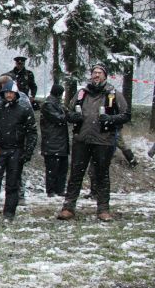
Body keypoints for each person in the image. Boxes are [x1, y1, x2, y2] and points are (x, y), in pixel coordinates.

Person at [57, 63, 129, 221]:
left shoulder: (113, 94)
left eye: (99, 73)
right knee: (76, 174)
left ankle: (103, 209)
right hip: (81, 140)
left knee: (102, 175)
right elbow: (68, 112)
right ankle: (68, 208)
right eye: (94, 72)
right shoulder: (81, 93)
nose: (96, 75)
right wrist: (72, 117)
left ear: (105, 76)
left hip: (104, 141)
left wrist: (111, 119)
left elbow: (126, 115)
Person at [0, 80, 36, 220]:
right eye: (7, 92)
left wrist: (28, 151)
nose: (9, 95)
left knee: (13, 183)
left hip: (16, 150)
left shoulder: (24, 110)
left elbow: (32, 132)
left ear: (16, 94)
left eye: (11, 93)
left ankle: (9, 213)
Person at [39, 83, 70, 197]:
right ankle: (51, 190)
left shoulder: (56, 104)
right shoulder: (48, 105)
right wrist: (68, 116)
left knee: (62, 167)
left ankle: (59, 189)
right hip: (52, 141)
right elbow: (58, 118)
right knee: (53, 168)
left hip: (59, 141)